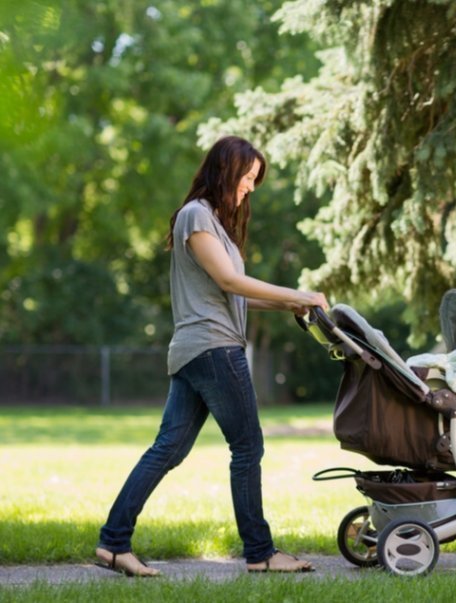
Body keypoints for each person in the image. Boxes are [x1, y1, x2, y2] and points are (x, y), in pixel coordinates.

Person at [95, 136, 327, 576]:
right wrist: (299, 293)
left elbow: (233, 294)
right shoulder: (196, 216)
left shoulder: (214, 225)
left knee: (168, 450)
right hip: (214, 349)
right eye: (248, 177)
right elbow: (230, 282)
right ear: (226, 170)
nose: (250, 188)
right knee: (247, 446)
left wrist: (289, 304)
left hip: (195, 351)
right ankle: (260, 553)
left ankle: (113, 543)